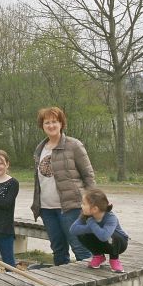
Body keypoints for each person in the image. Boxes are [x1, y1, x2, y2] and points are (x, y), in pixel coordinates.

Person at [31, 106, 96, 265]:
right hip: (47, 209)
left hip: (71, 207)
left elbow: (88, 176)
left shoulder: (74, 145)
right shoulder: (40, 149)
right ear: (42, 126)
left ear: (61, 123)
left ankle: (90, 282)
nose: (51, 125)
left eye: (54, 121)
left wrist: (94, 203)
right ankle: (62, 284)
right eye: (47, 122)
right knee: (58, 249)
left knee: (80, 247)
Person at [69, 188, 129, 273]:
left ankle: (114, 260)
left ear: (95, 209)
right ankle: (98, 256)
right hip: (102, 243)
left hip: (119, 244)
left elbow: (104, 236)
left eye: (84, 204)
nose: (81, 205)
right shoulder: (85, 215)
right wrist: (92, 228)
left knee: (112, 235)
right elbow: (73, 230)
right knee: (81, 233)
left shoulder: (111, 217)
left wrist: (92, 223)